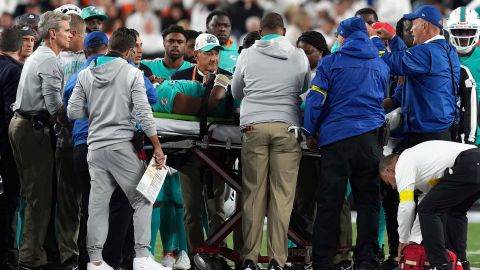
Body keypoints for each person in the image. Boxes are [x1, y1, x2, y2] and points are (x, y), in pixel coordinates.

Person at [67, 27, 168, 270]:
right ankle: (143, 257)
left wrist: (97, 113)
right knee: (143, 198)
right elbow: (144, 112)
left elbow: (72, 111)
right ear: (131, 49)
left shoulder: (86, 73)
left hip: (94, 147)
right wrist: (156, 145)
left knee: (97, 207)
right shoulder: (132, 73)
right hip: (120, 145)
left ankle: (96, 262)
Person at [303, 16, 389, 270]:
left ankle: (324, 261)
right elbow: (382, 99)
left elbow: (314, 101)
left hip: (336, 139)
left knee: (330, 203)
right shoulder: (379, 64)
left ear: (344, 36)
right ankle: (367, 260)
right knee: (368, 204)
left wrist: (310, 131)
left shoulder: (331, 62)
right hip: (369, 140)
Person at [231, 12, 310, 270]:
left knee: (253, 195)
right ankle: (278, 260)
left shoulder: (246, 54)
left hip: (253, 125)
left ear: (261, 31)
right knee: (282, 196)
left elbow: (236, 91)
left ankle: (249, 260)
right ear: (284, 31)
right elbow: (303, 89)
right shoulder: (298, 55)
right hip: (287, 126)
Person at [63, 31, 137, 270]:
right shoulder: (126, 72)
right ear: (107, 48)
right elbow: (152, 96)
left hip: (82, 146)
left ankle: (89, 262)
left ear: (85, 52)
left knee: (90, 206)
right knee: (121, 203)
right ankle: (113, 260)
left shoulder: (78, 77)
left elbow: (69, 110)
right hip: (115, 144)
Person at [8, 11, 72, 270]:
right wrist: (73, 119)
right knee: (39, 198)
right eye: (67, 30)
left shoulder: (40, 56)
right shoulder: (49, 60)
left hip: (23, 124)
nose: (70, 34)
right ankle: (31, 259)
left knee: (32, 194)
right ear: (53, 33)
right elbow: (54, 105)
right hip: (33, 128)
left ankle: (31, 254)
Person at [379, 141, 480, 270]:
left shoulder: (403, 162)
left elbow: (407, 206)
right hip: (473, 160)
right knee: (454, 212)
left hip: (467, 163)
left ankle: (441, 265)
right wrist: (413, 240)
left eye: (389, 182)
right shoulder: (425, 167)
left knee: (429, 210)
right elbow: (424, 206)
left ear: (390, 170)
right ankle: (460, 263)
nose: (393, 186)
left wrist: (403, 241)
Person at [139, 24, 192, 270]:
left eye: (180, 41)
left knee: (178, 199)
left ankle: (176, 252)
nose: (175, 45)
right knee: (154, 198)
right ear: (164, 42)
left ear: (186, 45)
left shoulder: (192, 72)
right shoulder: (148, 67)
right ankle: (147, 254)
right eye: (171, 40)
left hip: (183, 145)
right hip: (155, 143)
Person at [372, 5, 460, 149]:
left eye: (414, 25)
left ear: (424, 26)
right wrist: (393, 38)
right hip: (440, 130)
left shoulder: (426, 51)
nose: (411, 30)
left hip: (426, 134)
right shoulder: (448, 49)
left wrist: (374, 38)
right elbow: (408, 61)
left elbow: (389, 62)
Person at [0, 27, 23, 270]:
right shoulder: (14, 71)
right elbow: (10, 116)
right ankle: (8, 257)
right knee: (9, 203)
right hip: (5, 151)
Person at [445, 6, 480, 145]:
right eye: (459, 31)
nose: (464, 36)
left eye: (468, 31)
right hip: (448, 127)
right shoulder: (442, 55)